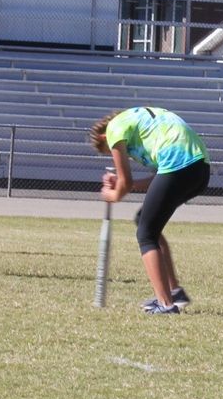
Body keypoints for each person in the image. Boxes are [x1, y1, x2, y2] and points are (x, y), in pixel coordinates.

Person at [90, 106, 211, 315]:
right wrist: (121, 183)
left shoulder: (114, 130)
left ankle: (165, 304)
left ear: (103, 136)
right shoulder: (139, 124)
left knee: (145, 233)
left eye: (110, 151)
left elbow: (125, 185)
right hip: (200, 169)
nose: (117, 154)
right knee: (145, 222)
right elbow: (158, 180)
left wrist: (112, 194)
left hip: (180, 165)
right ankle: (174, 293)